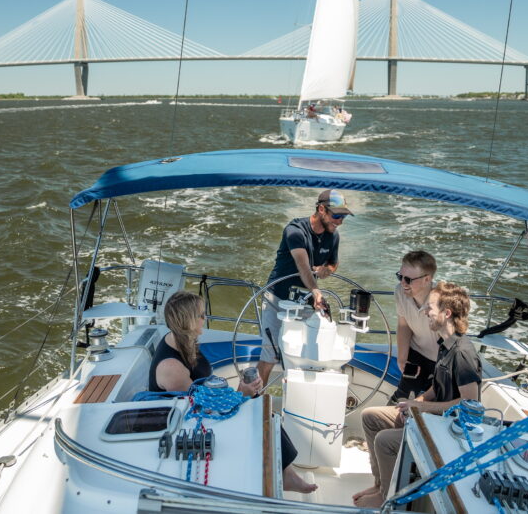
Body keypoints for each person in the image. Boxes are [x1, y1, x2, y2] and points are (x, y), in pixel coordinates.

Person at [150, 291, 317, 493]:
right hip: (184, 422)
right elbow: (197, 408)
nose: (205, 318)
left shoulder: (182, 340)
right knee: (259, 415)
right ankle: (283, 475)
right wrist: (240, 393)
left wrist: (241, 393)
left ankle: (286, 473)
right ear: (187, 321)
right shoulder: (171, 368)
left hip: (197, 407)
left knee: (262, 409)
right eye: (200, 315)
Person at [352, 281, 482, 507]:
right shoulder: (445, 344)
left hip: (445, 429)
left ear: (446, 313)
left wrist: (423, 409)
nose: (424, 311)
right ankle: (380, 485)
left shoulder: (462, 354)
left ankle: (390, 499)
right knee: (370, 416)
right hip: (429, 417)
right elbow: (437, 388)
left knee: (385, 441)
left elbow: (470, 403)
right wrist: (416, 402)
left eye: (430, 307)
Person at [257, 189, 353, 386]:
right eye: (336, 215)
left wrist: (328, 270)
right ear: (321, 209)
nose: (340, 221)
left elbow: (333, 263)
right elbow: (303, 266)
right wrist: (317, 291)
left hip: (306, 303)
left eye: (343, 216)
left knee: (307, 356)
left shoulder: (333, 236)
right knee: (270, 354)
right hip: (277, 299)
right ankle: (254, 399)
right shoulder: (295, 231)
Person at [391, 251, 439, 402]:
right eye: (400, 277)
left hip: (441, 361)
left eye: (408, 279)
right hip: (416, 353)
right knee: (400, 399)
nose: (403, 283)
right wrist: (402, 358)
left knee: (430, 406)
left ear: (427, 279)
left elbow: (453, 340)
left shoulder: (442, 301)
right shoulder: (400, 291)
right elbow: (404, 325)